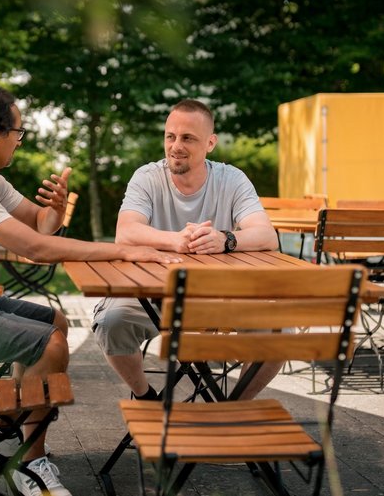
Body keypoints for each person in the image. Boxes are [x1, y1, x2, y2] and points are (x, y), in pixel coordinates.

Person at [0, 85, 179, 496]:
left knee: (57, 322)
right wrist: (123, 249)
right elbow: (37, 250)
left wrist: (56, 210)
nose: (20, 139)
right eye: (18, 131)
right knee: (50, 345)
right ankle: (30, 466)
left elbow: (40, 226)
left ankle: (5, 424)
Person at [91, 98, 280, 402]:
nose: (176, 146)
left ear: (210, 143)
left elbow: (267, 235)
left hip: (220, 296)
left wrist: (226, 239)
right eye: (170, 136)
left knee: (278, 329)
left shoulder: (231, 179)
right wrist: (175, 240)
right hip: (155, 298)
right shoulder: (147, 177)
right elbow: (125, 234)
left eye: (188, 138)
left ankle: (233, 409)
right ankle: (145, 397)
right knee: (110, 321)